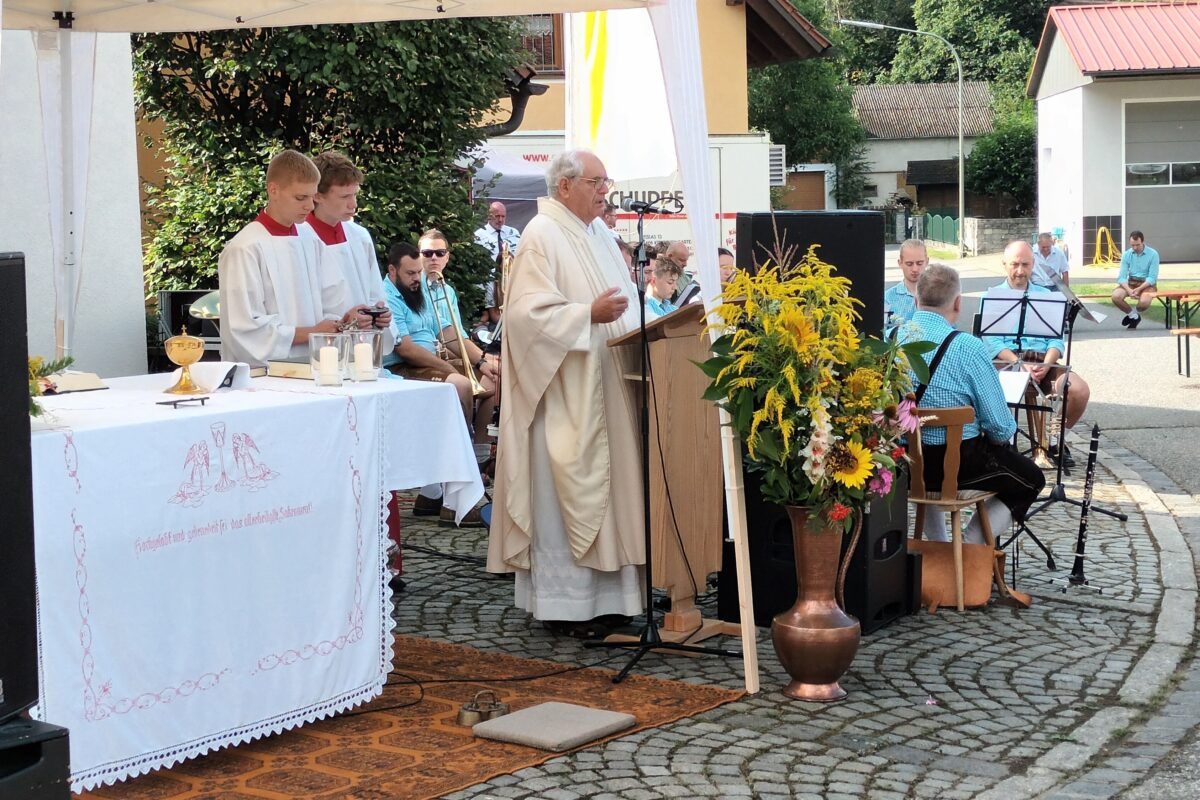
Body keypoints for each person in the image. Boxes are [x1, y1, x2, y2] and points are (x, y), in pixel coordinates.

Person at [487, 149, 645, 634]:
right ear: (565, 186)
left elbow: (624, 303)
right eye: (596, 181)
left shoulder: (597, 232)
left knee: (614, 496)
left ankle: (615, 601)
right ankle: (568, 606)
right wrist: (584, 316)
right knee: (570, 496)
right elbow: (523, 317)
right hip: (566, 394)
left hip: (609, 382)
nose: (605, 190)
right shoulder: (541, 235)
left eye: (606, 180)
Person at [898, 263, 1045, 544]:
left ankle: (940, 547)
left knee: (923, 469)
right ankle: (968, 546)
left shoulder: (893, 339)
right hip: (962, 467)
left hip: (907, 464)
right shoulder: (968, 347)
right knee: (1032, 480)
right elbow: (1001, 429)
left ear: (916, 300)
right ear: (957, 302)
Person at [380, 240, 497, 527]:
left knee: (492, 380)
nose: (416, 279)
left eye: (418, 272)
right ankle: (452, 498)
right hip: (401, 367)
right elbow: (404, 349)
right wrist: (450, 369)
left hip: (429, 362)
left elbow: (447, 332)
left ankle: (450, 480)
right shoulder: (387, 294)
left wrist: (482, 362)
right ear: (392, 271)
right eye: (410, 273)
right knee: (458, 385)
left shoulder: (419, 290)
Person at [218, 150, 355, 368]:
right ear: (274, 190)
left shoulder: (310, 238)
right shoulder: (245, 248)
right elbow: (243, 327)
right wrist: (310, 333)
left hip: (315, 367)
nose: (310, 206)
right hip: (263, 377)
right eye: (300, 198)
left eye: (312, 197)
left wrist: (344, 320)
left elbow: (332, 297)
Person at [986, 240, 1091, 465]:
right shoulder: (993, 295)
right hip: (1008, 362)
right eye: (1015, 264)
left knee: (1079, 390)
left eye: (1025, 264)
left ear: (1033, 264)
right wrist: (1018, 363)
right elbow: (991, 341)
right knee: (989, 390)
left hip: (1043, 362)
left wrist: (1046, 364)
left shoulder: (1047, 296)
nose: (1020, 270)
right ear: (1004, 264)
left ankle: (1056, 439)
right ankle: (1003, 444)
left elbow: (1056, 339)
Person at [308, 152, 393, 356]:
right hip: (323, 351)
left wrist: (379, 315)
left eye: (355, 194)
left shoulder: (360, 236)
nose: (353, 204)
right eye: (345, 196)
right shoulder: (302, 239)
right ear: (317, 195)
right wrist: (344, 322)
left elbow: (375, 291)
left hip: (364, 347)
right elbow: (303, 308)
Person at [474, 202, 522, 327]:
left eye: (503, 216)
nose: (500, 220)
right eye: (497, 216)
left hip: (512, 280)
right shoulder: (479, 235)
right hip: (490, 283)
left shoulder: (513, 232)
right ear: (489, 216)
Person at [1112, 230, 1159, 330]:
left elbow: (1152, 278)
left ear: (1143, 241)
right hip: (1131, 282)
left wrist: (1139, 289)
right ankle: (1133, 316)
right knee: (1116, 296)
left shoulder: (1153, 254)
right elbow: (1122, 277)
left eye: (1137, 245)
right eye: (1132, 245)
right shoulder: (1127, 254)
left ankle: (1134, 313)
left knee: (1144, 303)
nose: (1135, 248)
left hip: (1147, 284)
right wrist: (1129, 290)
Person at [884, 239, 928, 328]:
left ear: (927, 261)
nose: (915, 269)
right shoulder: (888, 298)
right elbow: (883, 333)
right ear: (900, 263)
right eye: (909, 264)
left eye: (919, 263)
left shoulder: (938, 295)